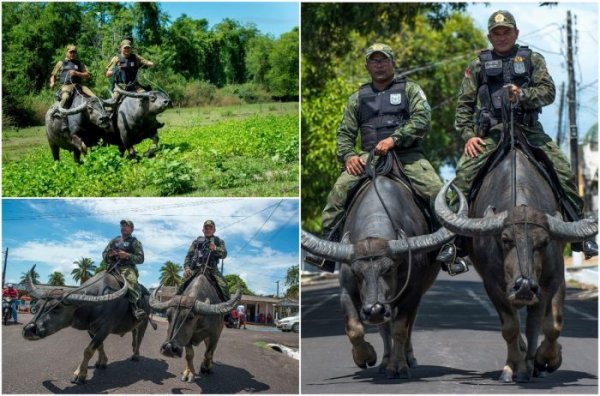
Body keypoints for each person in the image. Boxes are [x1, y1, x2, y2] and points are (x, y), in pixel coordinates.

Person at [304, 43, 468, 275]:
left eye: (383, 60)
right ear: (367, 65)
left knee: (436, 191)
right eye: (374, 60)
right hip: (369, 156)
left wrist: (395, 139)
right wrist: (349, 155)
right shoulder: (357, 97)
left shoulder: (410, 89)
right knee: (337, 194)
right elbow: (344, 133)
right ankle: (326, 252)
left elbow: (422, 119)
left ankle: (451, 249)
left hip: (407, 155)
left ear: (393, 63)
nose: (379, 65)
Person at [451, 10, 598, 260]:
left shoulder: (533, 59)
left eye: (506, 31)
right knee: (463, 177)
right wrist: (469, 136)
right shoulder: (477, 65)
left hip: (529, 129)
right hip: (492, 133)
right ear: (489, 36)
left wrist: (522, 95)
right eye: (496, 33)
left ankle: (580, 235)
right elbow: (464, 106)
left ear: (516, 33)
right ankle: (454, 241)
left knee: (563, 172)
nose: (501, 37)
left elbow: (548, 92)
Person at [102, 219, 146, 320]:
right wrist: (109, 255)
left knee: (131, 281)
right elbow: (104, 254)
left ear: (131, 229)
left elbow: (141, 259)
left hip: (127, 268)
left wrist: (127, 255)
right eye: (122, 225)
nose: (123, 227)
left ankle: (135, 307)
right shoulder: (114, 240)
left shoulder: (135, 242)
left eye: (126, 226)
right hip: (112, 267)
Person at [49, 44, 97, 132]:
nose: (72, 54)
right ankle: (61, 117)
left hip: (79, 86)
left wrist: (77, 73)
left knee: (94, 97)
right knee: (65, 97)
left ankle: (97, 118)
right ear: (66, 52)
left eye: (74, 52)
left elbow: (87, 75)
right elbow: (53, 75)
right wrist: (52, 82)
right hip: (66, 86)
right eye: (70, 52)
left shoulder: (79, 63)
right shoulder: (61, 63)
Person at [182, 220, 230, 302]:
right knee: (181, 287)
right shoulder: (196, 242)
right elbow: (189, 256)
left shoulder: (219, 241)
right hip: (196, 270)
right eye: (206, 228)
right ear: (203, 230)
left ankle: (227, 312)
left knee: (224, 287)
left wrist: (215, 248)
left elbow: (224, 254)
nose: (208, 230)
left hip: (212, 271)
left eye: (210, 228)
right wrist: (187, 268)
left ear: (214, 230)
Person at [105, 39, 155, 104]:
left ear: (131, 49)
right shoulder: (116, 58)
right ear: (121, 48)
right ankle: (110, 113)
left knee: (147, 97)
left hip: (134, 86)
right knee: (113, 103)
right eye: (125, 48)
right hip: (121, 87)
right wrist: (116, 70)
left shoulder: (135, 57)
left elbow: (146, 62)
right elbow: (107, 74)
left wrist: (152, 64)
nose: (127, 50)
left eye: (128, 48)